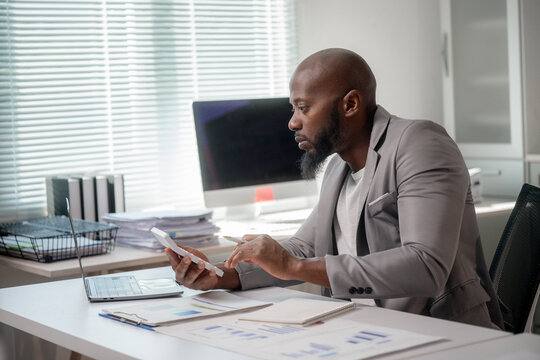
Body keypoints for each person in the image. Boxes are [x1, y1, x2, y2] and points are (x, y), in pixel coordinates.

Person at [166, 48, 503, 329]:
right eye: (293, 108)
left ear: (350, 104)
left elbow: (425, 265)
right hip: (366, 328)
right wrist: (223, 275)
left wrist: (293, 267)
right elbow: (305, 247)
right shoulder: (338, 166)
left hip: (441, 332)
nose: (292, 122)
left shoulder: (419, 143)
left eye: (303, 107)